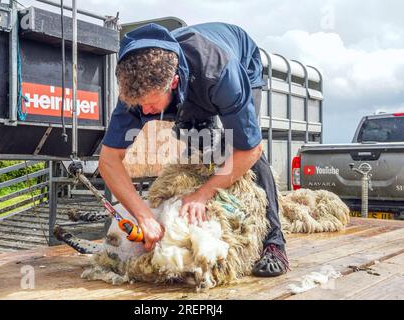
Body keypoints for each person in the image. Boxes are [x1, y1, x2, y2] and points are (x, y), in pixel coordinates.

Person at [99, 22, 290, 277]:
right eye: (138, 105)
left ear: (174, 82)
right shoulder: (137, 88)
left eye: (151, 105)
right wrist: (143, 216)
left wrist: (204, 193)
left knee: (240, 147)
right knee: (198, 141)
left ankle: (274, 243)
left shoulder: (221, 72)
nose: (144, 113)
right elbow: (109, 160)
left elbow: (250, 150)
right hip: (191, 87)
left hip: (240, 59)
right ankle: (199, 213)